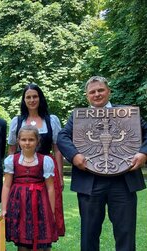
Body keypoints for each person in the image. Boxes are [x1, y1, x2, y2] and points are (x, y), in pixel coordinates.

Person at [57, 76, 147, 251]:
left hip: (123, 182)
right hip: (90, 182)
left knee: (125, 233)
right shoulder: (78, 117)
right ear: (87, 96)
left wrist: (143, 152)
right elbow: (62, 137)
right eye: (92, 92)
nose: (97, 94)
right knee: (89, 235)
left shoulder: (129, 115)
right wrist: (74, 155)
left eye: (100, 90)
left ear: (109, 92)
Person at [7, 83, 65, 236]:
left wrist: (59, 174)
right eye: (28, 97)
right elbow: (12, 149)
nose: (32, 100)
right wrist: (11, 173)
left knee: (46, 209)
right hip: (24, 170)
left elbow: (57, 148)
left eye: (35, 96)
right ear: (24, 100)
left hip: (47, 170)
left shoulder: (51, 120)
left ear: (40, 98)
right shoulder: (17, 121)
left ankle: (45, 240)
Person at [1, 125, 58, 251]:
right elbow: (6, 185)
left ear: (37, 141)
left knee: (43, 237)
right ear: (18, 141)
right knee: (23, 238)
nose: (27, 143)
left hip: (39, 203)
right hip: (18, 202)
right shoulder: (12, 160)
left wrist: (51, 211)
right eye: (24, 140)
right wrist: (4, 208)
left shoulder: (45, 160)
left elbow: (50, 188)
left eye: (31, 140)